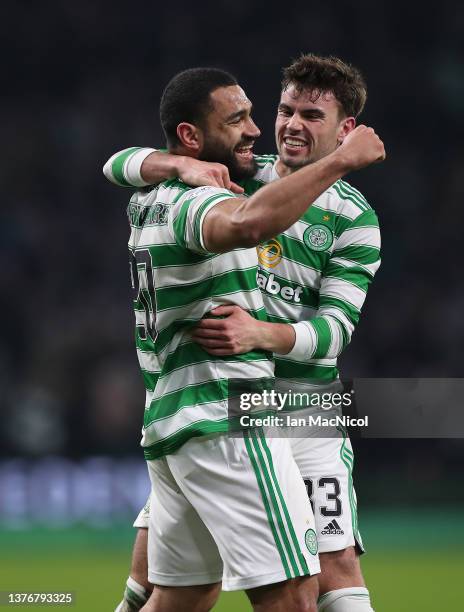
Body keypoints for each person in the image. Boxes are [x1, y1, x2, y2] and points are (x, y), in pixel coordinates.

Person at [104, 64, 385, 612]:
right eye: (284, 111)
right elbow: (120, 165)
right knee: (150, 583)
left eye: (312, 115)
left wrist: (264, 333)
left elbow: (334, 332)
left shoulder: (355, 220)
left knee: (335, 563)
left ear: (345, 130)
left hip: (303, 410)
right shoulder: (231, 177)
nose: (290, 125)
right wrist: (176, 161)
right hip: (225, 408)